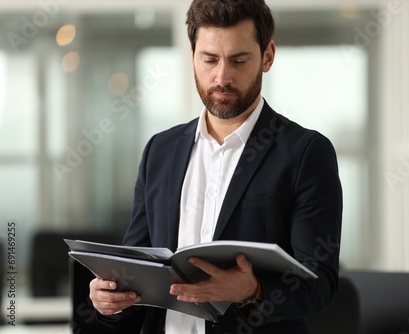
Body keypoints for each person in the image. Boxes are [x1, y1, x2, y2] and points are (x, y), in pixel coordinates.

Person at [88, 0, 342, 333]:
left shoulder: (306, 153)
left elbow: (320, 284)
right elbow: (136, 269)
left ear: (267, 56)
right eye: (209, 59)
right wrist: (112, 298)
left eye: (238, 60)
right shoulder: (159, 151)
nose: (222, 77)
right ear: (192, 56)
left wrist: (253, 290)